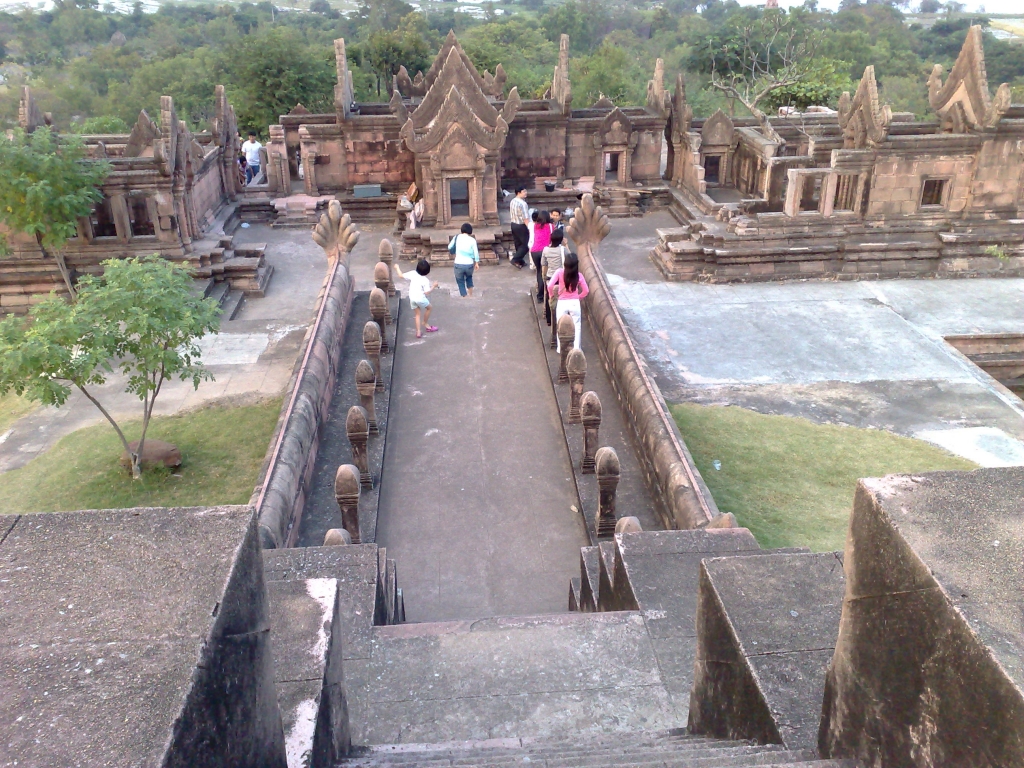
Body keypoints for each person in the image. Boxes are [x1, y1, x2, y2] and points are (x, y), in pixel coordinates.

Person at [547, 252, 589, 352]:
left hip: (562, 302)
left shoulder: (559, 272)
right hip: (574, 302)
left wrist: (551, 295)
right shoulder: (579, 275)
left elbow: (550, 286)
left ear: (565, 263)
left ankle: (560, 348)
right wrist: (578, 297)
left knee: (560, 325)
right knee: (577, 325)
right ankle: (576, 348)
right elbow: (586, 291)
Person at [394, 259, 439, 338]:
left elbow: (401, 275)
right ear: (427, 272)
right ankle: (425, 323)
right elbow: (427, 292)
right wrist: (434, 286)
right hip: (420, 298)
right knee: (429, 308)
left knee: (417, 314)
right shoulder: (425, 280)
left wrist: (397, 267)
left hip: (412, 297)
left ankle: (418, 332)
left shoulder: (413, 273)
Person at [541, 229, 568, 326]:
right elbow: (570, 258)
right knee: (561, 297)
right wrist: (566, 245)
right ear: (561, 240)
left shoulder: (545, 250)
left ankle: (549, 320)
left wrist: (544, 277)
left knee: (550, 297)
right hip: (560, 278)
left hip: (550, 277)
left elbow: (543, 264)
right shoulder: (563, 250)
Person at [451, 222, 480, 297]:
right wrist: (476, 263)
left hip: (458, 263)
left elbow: (449, 247)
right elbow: (476, 252)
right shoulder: (472, 240)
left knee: (460, 281)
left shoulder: (456, 237)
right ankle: (470, 294)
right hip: (469, 264)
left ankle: (464, 296)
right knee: (469, 278)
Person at [530, 210, 553, 302]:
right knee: (546, 273)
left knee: (539, 271)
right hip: (545, 251)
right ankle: (544, 293)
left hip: (534, 251)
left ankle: (540, 296)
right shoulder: (551, 226)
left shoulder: (535, 226)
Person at [509, 185, 530, 269]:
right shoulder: (523, 203)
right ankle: (515, 259)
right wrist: (529, 227)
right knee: (526, 244)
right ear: (519, 193)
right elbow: (525, 218)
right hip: (521, 225)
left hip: (513, 224)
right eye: (524, 192)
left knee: (518, 243)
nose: (526, 193)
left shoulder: (512, 201)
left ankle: (520, 261)